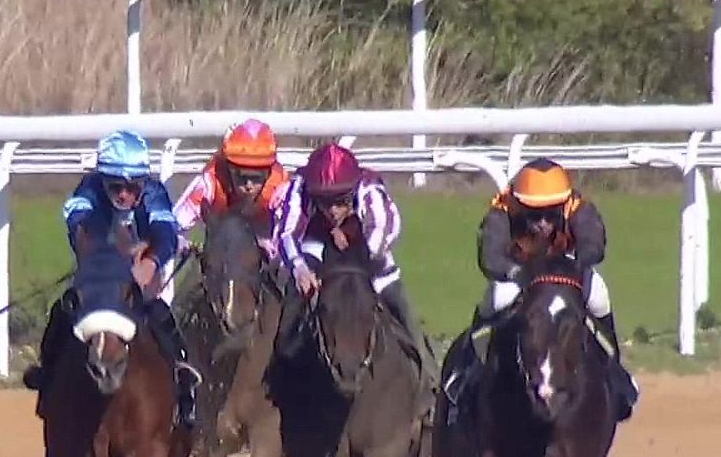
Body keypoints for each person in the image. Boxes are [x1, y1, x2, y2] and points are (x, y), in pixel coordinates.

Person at [21, 129, 202, 429]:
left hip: (135, 288)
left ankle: (184, 384)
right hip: (95, 284)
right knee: (61, 311)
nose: (125, 194)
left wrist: (153, 260)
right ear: (102, 179)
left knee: (162, 316)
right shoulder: (88, 190)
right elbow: (82, 227)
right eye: (116, 186)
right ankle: (47, 375)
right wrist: (108, 258)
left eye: (133, 187)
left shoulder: (154, 192)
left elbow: (166, 231)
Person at [441, 157, 639, 421]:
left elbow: (594, 244)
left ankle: (614, 372)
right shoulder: (502, 209)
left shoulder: (578, 207)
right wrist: (517, 273)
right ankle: (466, 373)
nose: (544, 222)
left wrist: (575, 265)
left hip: (566, 273)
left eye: (551, 213)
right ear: (519, 205)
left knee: (599, 296)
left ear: (563, 204)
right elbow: (490, 256)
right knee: (497, 299)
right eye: (535, 214)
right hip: (520, 274)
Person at [270, 141, 436, 386]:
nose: (333, 211)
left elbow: (384, 228)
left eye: (340, 202)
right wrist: (300, 269)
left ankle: (431, 382)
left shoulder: (369, 187)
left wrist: (354, 244)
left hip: (367, 255)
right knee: (292, 303)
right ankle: (279, 374)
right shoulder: (299, 186)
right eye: (324, 203)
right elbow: (286, 233)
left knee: (403, 310)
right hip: (316, 247)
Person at [171, 117, 290, 256]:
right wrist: (180, 242)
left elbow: (289, 235)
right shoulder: (209, 182)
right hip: (219, 254)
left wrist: (272, 247)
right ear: (228, 169)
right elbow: (171, 225)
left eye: (256, 178)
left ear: (269, 172)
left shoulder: (281, 186)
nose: (249, 186)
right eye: (241, 176)